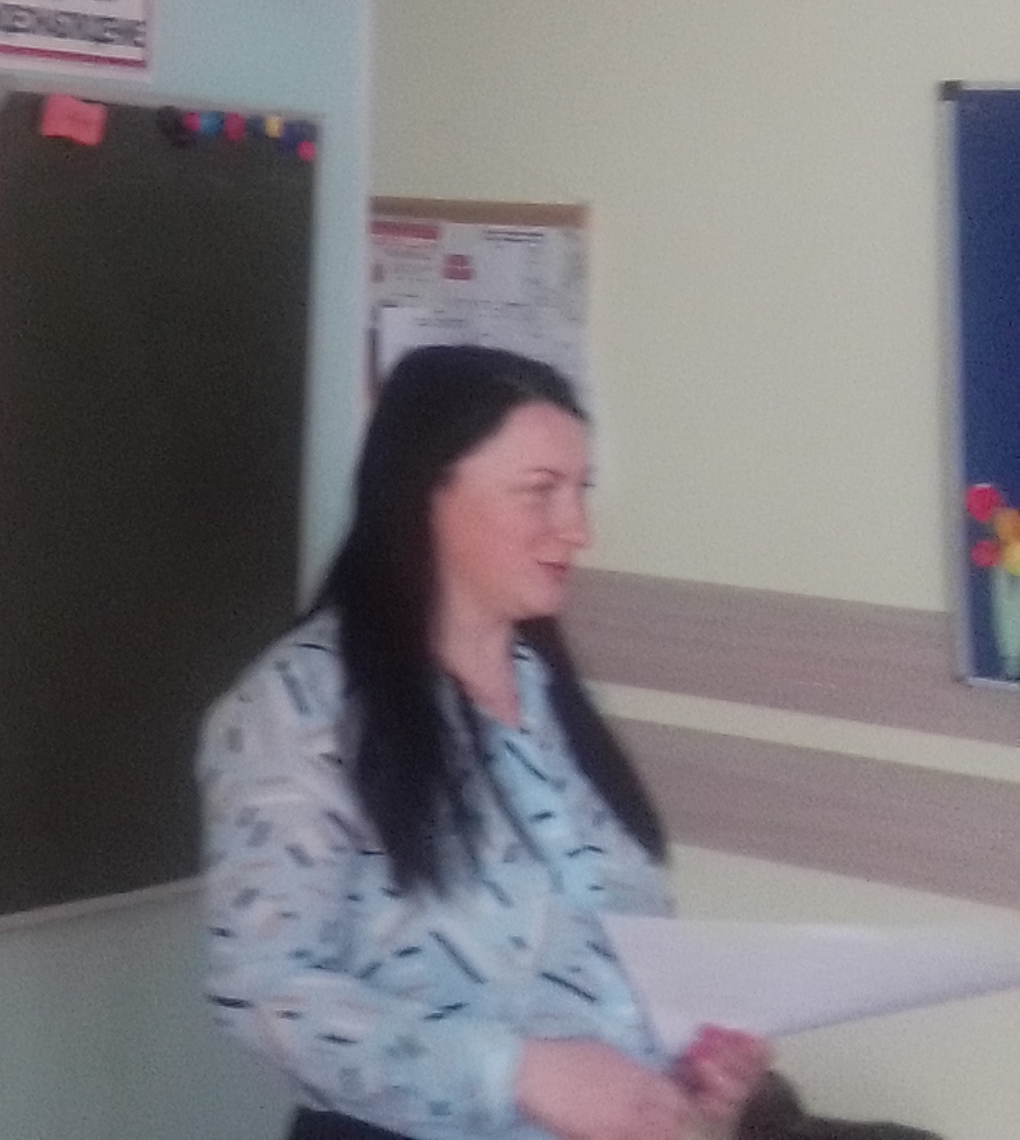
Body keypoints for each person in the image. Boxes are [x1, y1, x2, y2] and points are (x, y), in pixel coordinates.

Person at [198, 346, 774, 1140]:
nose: (578, 531)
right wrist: (521, 1073)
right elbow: (264, 988)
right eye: (540, 492)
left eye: (581, 491)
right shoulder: (298, 707)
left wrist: (685, 1080)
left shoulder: (551, 695)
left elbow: (602, 956)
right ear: (426, 494)